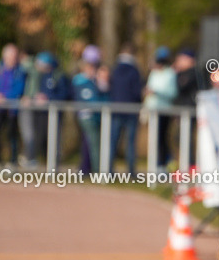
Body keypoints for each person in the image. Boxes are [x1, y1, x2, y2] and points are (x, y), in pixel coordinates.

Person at [0, 43, 27, 169]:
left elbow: (19, 89)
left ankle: (12, 162)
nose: (12, 58)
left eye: (14, 56)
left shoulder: (20, 71)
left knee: (12, 135)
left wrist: (5, 98)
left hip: (12, 109)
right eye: (10, 56)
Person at [32, 51, 72, 166]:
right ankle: (45, 163)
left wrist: (48, 99)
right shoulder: (41, 76)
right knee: (42, 138)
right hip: (42, 113)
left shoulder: (59, 76)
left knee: (53, 139)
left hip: (55, 114)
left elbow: (64, 95)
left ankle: (54, 165)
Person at [108, 44, 143, 176]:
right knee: (130, 143)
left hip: (115, 110)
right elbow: (136, 92)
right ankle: (131, 172)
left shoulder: (114, 69)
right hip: (131, 111)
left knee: (113, 141)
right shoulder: (134, 71)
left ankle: (109, 169)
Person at [73, 45, 107, 173]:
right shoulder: (81, 81)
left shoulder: (94, 80)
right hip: (87, 116)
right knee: (92, 143)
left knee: (90, 143)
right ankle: (95, 170)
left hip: (95, 116)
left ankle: (87, 168)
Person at [144, 47, 178, 170]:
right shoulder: (153, 73)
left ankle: (163, 165)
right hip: (152, 110)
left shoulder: (170, 74)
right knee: (154, 139)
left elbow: (172, 93)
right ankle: (157, 164)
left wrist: (156, 92)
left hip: (164, 111)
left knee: (162, 138)